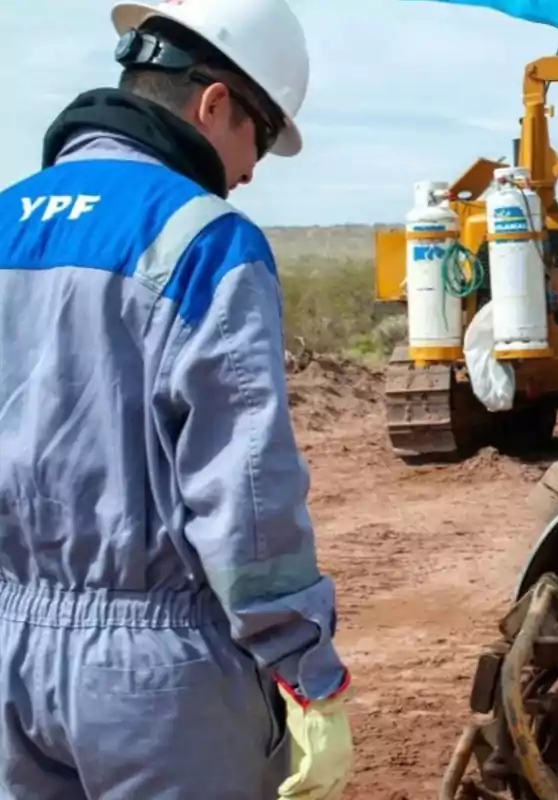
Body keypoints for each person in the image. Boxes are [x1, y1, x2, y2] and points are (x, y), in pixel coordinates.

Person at [0, 0, 353, 797]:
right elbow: (246, 489)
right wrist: (305, 667)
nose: (252, 170)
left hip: (8, 661)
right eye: (258, 138)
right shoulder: (204, 240)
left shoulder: (6, 221)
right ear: (215, 103)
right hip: (158, 679)